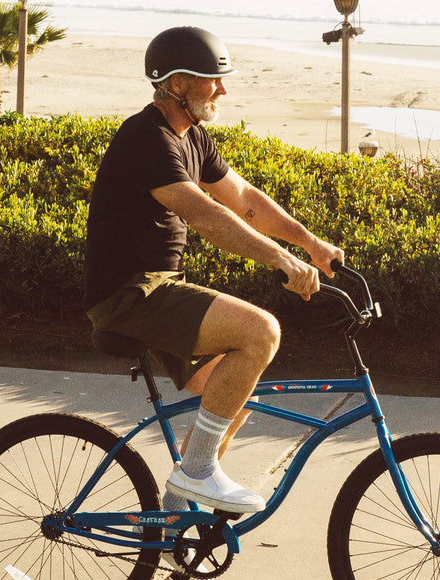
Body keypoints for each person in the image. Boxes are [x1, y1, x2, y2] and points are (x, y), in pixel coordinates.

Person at [84, 26, 343, 532]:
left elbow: (242, 199)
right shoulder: (147, 139)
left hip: (154, 288)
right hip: (133, 294)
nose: (221, 90)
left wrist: (310, 244)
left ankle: (172, 520)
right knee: (261, 331)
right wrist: (282, 262)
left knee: (233, 393)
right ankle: (199, 471)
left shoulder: (191, 137)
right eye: (211, 81)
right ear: (177, 82)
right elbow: (205, 215)